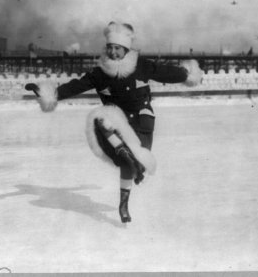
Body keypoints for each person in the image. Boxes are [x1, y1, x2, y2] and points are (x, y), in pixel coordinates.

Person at [25, 21, 201, 223]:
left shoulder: (141, 66)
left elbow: (166, 72)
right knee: (101, 118)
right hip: (115, 123)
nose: (113, 52)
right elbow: (76, 86)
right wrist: (47, 92)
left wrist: (187, 74)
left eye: (117, 48)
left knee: (133, 163)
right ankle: (123, 167)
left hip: (141, 122)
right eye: (109, 47)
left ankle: (127, 183)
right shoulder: (100, 73)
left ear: (126, 49)